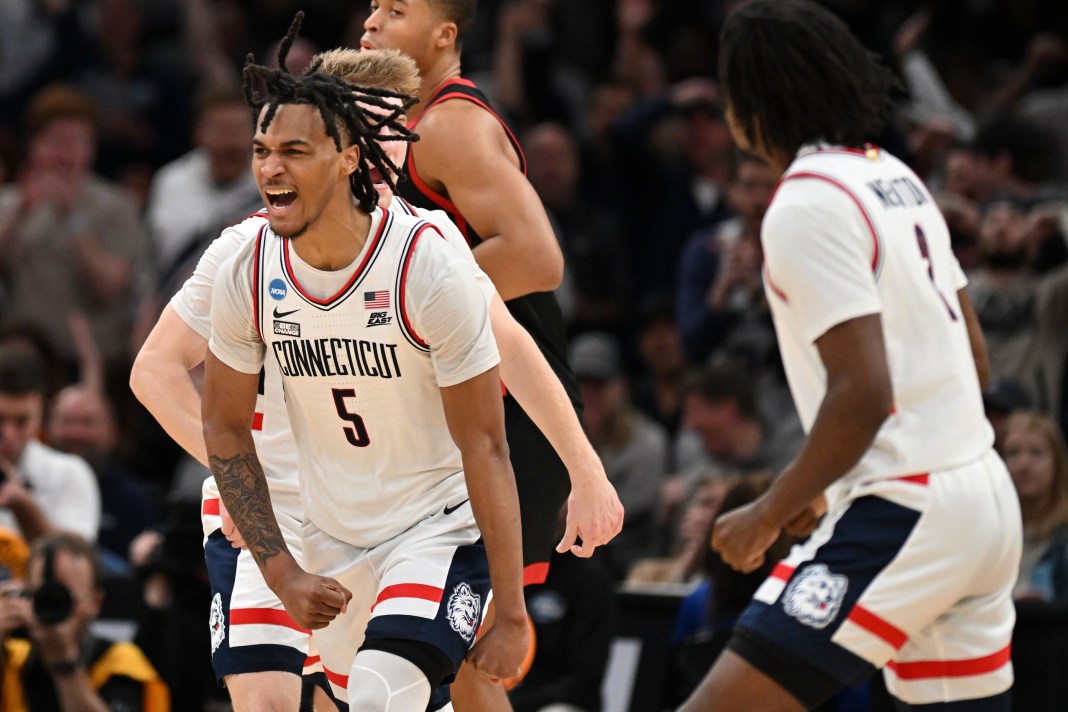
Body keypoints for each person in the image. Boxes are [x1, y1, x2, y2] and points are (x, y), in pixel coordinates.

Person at [131, 42, 621, 712]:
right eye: (373, 126)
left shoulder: (426, 246)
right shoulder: (249, 251)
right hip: (278, 509)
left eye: (398, 129)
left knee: (384, 694)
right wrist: (247, 486)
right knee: (273, 700)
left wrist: (586, 470)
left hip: (399, 509)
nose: (390, 147)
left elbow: (515, 352)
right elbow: (155, 370)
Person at [680, 2, 1020, 711]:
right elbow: (975, 362)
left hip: (907, 504)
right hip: (984, 495)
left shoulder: (804, 203)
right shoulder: (894, 176)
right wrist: (826, 481)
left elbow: (863, 394)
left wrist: (770, 509)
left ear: (748, 104)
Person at [361, 5, 622, 708]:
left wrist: (399, 308)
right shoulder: (395, 129)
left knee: (468, 653)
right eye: (372, 6)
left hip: (514, 403)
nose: (371, 21)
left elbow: (537, 257)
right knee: (427, 648)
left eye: (396, 9)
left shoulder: (450, 126)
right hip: (454, 404)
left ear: (444, 35)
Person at [0, 532, 169, 711]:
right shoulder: (13, 658)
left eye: (65, 598)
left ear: (96, 602)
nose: (52, 607)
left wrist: (65, 665)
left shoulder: (122, 665)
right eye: (42, 595)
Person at [0, 345, 99, 544]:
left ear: (40, 414)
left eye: (22, 421)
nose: (8, 434)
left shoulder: (69, 473)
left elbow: (77, 558)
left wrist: (24, 507)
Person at [1002, 410, 1068, 603]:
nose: (1024, 464)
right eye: (1013, 453)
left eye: (1036, 453)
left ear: (1057, 464)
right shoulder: (986, 532)